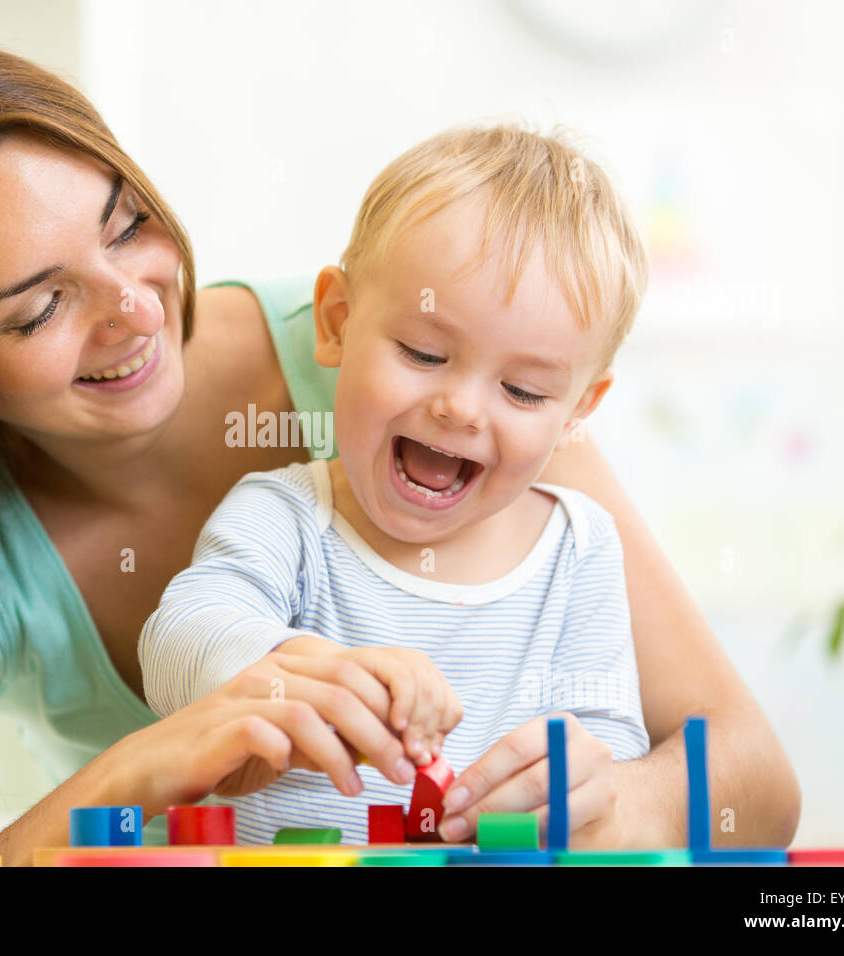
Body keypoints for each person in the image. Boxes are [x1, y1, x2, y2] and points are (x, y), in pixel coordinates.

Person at [0, 37, 799, 866]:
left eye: (126, 223)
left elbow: (748, 777)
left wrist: (621, 804)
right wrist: (127, 781)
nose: (133, 308)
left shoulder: (424, 352)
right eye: (40, 307)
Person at [140, 125, 654, 844]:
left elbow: (611, 741)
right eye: (423, 352)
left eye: (525, 390)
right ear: (337, 324)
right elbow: (177, 645)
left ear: (577, 412)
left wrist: (579, 779)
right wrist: (308, 670)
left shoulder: (581, 549)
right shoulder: (285, 517)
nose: (463, 408)